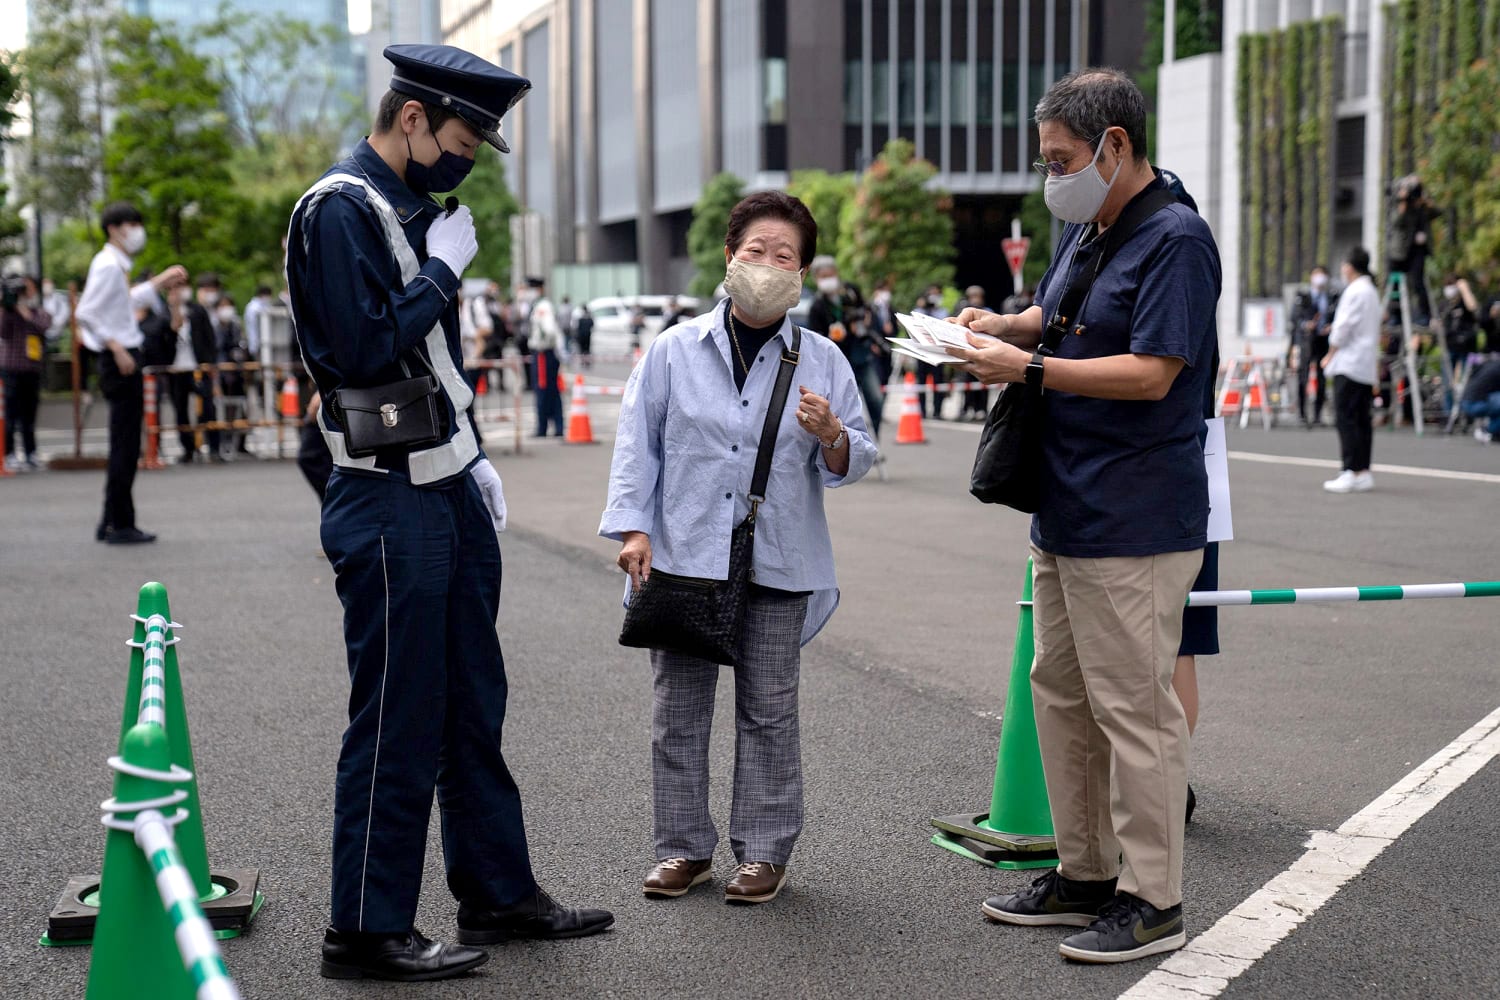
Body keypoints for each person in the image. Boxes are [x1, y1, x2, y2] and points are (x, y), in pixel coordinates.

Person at [285, 44, 612, 983]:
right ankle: (364, 925)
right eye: (464, 135)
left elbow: (430, 365)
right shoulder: (338, 209)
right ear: (415, 116)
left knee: (473, 696)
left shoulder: (406, 210)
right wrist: (440, 275)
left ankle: (497, 889)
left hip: (443, 478)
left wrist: (471, 455)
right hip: (387, 489)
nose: (469, 157)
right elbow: (358, 353)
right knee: (397, 711)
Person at [947, 68, 1219, 963]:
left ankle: (1154, 900)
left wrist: (1025, 369)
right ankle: (1087, 873)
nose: (1051, 174)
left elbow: (1153, 372)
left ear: (1116, 146)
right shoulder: (1088, 227)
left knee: (1135, 712)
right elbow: (1055, 317)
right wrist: (1001, 326)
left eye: (1062, 158)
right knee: (1061, 695)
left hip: (1135, 515)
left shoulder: (1175, 239)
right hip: (1065, 504)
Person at [601, 191, 876, 906]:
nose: (767, 265)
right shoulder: (672, 351)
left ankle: (763, 853)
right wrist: (634, 529)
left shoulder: (822, 360)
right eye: (755, 250)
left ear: (803, 274)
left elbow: (859, 452)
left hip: (780, 557)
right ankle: (683, 848)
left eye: (785, 256)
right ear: (729, 257)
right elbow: (639, 446)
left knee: (769, 710)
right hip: (686, 557)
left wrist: (832, 437)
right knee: (678, 711)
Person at [73, 201, 187, 544]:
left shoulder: (113, 264)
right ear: (114, 228)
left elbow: (124, 302)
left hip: (120, 358)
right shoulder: (109, 265)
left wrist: (160, 281)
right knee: (124, 445)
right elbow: (86, 312)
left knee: (124, 443)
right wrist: (117, 347)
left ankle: (111, 520)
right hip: (120, 360)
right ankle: (118, 524)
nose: (136, 231)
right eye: (130, 224)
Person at [1321, 248, 1381, 494]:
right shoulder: (1372, 291)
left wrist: (1330, 353)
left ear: (1349, 266)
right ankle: (1363, 471)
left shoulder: (1355, 291)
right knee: (1362, 419)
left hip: (1350, 362)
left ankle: (1349, 470)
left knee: (1346, 417)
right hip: (1365, 363)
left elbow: (1343, 327)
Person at [807, 255, 886, 441]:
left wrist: (862, 320)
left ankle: (874, 440)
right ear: (817, 278)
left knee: (876, 400)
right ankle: (852, 443)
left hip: (861, 355)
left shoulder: (851, 292)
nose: (828, 279)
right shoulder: (817, 306)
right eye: (823, 276)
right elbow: (814, 339)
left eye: (830, 274)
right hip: (838, 363)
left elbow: (867, 311)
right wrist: (831, 335)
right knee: (846, 407)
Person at [0, 275, 50, 472]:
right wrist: (6, 306)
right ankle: (9, 452)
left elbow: (43, 326)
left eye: (26, 289)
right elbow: (2, 332)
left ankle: (31, 452)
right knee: (10, 414)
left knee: (29, 414)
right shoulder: (7, 313)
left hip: (32, 369)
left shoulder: (38, 313)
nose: (23, 293)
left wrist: (23, 309)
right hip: (10, 369)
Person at [1289, 266, 1337, 426]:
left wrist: (1331, 326)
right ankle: (1302, 414)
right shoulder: (1303, 296)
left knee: (1322, 378)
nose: (1320, 278)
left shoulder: (1331, 297)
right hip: (1306, 340)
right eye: (1317, 275)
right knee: (1303, 376)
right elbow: (1295, 318)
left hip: (1323, 340)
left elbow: (1337, 317)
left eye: (1323, 275)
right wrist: (1305, 325)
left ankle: (1318, 415)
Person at [525, 276, 565, 436]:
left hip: (543, 353)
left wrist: (543, 343)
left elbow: (549, 330)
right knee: (551, 390)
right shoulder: (540, 305)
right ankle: (557, 426)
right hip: (546, 353)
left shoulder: (542, 306)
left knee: (543, 390)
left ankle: (543, 428)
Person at [958, 286, 992, 420]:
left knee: (983, 383)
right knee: (967, 383)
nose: (975, 299)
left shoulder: (988, 312)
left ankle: (982, 409)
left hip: (983, 352)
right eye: (973, 296)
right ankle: (967, 408)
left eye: (978, 296)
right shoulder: (963, 313)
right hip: (967, 353)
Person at [1459, 356, 1500, 444]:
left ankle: (1493, 431)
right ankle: (1489, 431)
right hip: (1476, 403)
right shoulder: (1497, 368)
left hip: (1467, 401)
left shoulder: (1491, 363)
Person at [573, 303, 594, 368]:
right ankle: (587, 362)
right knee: (587, 349)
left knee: (582, 349)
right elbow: (592, 324)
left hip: (582, 335)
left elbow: (577, 327)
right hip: (588, 334)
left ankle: (583, 361)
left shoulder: (581, 317)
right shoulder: (589, 317)